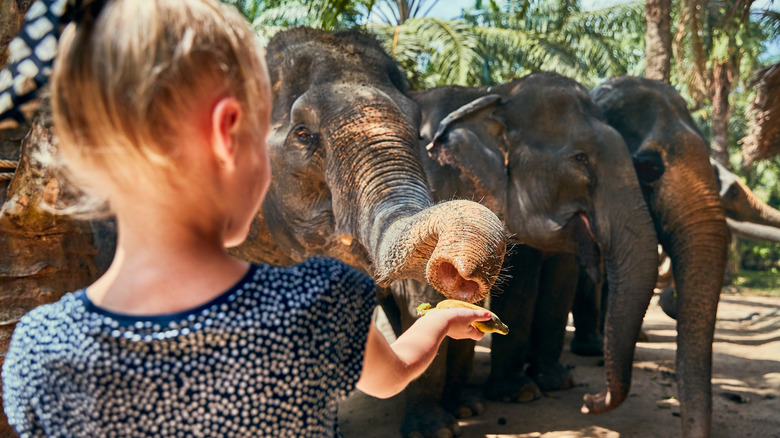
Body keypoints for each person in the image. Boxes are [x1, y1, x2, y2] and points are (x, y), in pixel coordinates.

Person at [0, 1, 492, 436]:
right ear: (227, 133)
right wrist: (443, 319)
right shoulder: (320, 299)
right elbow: (395, 372)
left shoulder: (38, 347)